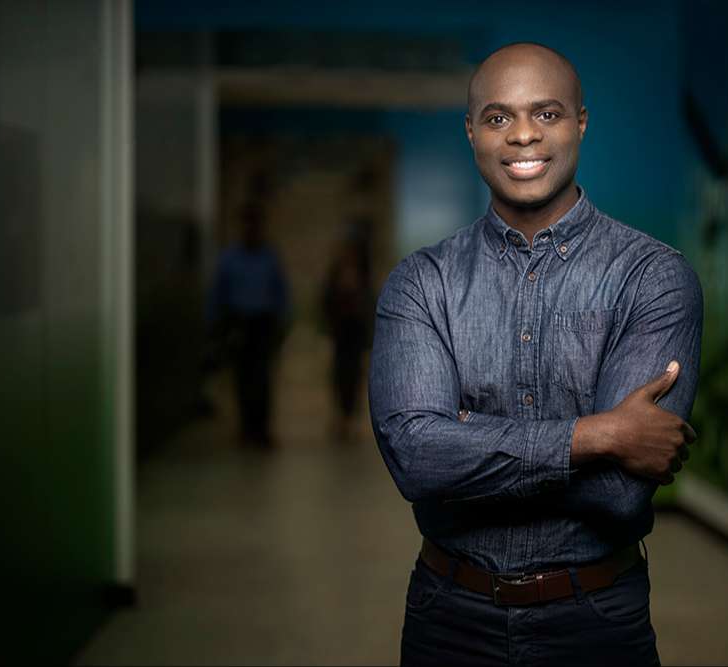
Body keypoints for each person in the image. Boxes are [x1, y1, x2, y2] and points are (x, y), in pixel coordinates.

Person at [369, 42, 702, 666]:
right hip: (448, 618)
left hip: (597, 620)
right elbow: (416, 460)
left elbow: (619, 498)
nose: (523, 135)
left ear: (580, 122)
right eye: (498, 117)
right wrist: (600, 435)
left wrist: (465, 438)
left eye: (546, 114)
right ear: (472, 132)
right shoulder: (420, 284)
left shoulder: (654, 278)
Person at [207, 201, 291, 447]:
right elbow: (218, 293)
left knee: (263, 379)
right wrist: (214, 325)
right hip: (238, 323)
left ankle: (262, 430)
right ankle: (246, 429)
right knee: (242, 380)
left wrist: (281, 322)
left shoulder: (269, 257)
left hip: (263, 324)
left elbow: (280, 292)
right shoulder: (230, 258)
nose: (252, 229)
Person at [321, 231, 375, 441]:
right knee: (339, 375)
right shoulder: (335, 275)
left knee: (354, 376)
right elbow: (326, 301)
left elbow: (369, 304)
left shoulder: (363, 276)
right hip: (341, 331)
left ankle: (351, 419)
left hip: (356, 332)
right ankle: (340, 418)